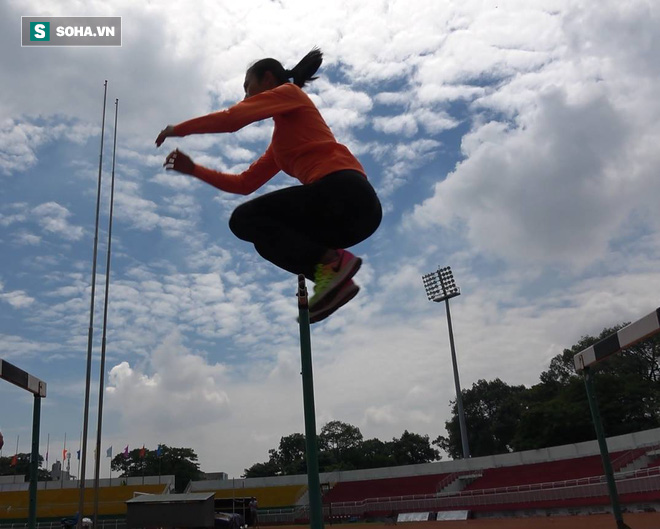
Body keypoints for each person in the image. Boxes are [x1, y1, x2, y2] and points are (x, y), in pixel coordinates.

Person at [156, 49, 382, 323]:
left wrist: (176, 129)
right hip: (349, 220)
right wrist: (194, 170)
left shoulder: (291, 92)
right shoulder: (280, 145)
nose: (246, 97)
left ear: (266, 80)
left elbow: (232, 119)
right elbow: (244, 183)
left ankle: (333, 264)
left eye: (247, 87)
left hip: (346, 193)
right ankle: (333, 274)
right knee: (261, 237)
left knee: (246, 218)